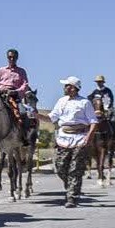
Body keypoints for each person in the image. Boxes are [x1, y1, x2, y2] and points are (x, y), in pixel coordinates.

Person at [47, 76, 99, 208]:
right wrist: (36, 115)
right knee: (60, 167)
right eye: (65, 86)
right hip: (64, 137)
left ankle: (72, 197)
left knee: (75, 169)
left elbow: (93, 121)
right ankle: (72, 186)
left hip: (80, 137)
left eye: (67, 85)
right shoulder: (61, 101)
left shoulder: (85, 103)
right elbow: (52, 118)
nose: (65, 88)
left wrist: (89, 136)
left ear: (73, 88)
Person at [0, 49, 31, 146]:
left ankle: (24, 136)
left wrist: (16, 91)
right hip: (0, 96)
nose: (12, 59)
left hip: (15, 97)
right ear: (7, 58)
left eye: (14, 57)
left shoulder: (21, 71)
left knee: (23, 113)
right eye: (10, 57)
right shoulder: (1, 70)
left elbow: (25, 85)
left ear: (17, 58)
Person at [87, 74, 115, 141]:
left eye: (100, 81)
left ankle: (114, 135)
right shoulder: (95, 92)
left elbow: (111, 100)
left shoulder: (108, 91)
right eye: (97, 82)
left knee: (113, 120)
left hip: (106, 110)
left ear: (103, 82)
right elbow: (89, 99)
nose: (99, 83)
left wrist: (108, 108)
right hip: (96, 111)